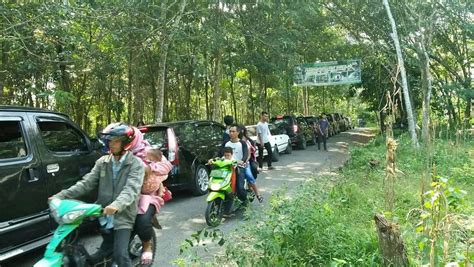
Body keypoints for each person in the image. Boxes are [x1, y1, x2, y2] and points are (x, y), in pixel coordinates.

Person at [51, 123, 145, 266]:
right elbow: (86, 183)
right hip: (102, 212)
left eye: (115, 141)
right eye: (109, 141)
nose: (111, 144)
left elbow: (131, 190)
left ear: (125, 143)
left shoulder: (136, 164)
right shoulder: (103, 162)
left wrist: (116, 205)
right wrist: (62, 195)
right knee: (76, 244)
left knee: (120, 255)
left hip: (123, 216)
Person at [135, 147, 172, 265]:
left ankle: (147, 246)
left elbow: (166, 166)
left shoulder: (145, 150)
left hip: (147, 196)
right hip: (123, 195)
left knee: (143, 221)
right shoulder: (112, 155)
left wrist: (150, 167)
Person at [222, 124, 249, 210]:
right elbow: (219, 154)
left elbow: (245, 155)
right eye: (230, 131)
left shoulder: (242, 143)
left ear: (238, 132)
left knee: (240, 187)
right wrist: (213, 159)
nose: (231, 133)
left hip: (239, 167)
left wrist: (242, 160)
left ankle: (245, 201)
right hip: (227, 167)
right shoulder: (226, 143)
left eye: (233, 131)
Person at [239, 125, 263, 202]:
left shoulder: (246, 141)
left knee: (250, 176)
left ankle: (257, 194)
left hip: (246, 162)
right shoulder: (230, 141)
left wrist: (244, 161)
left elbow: (249, 154)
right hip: (234, 163)